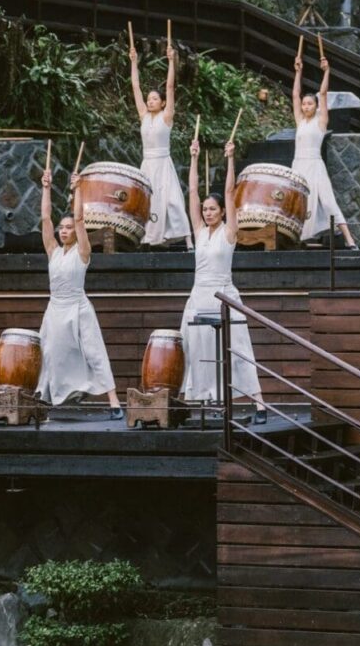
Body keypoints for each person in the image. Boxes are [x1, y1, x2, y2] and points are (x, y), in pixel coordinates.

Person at [181, 133, 267, 418]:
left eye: (212, 209)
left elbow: (230, 192)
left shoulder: (230, 232)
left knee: (238, 348)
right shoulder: (198, 231)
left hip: (224, 295)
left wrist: (230, 158)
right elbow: (193, 192)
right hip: (199, 296)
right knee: (196, 348)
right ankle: (205, 402)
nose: (207, 213)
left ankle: (259, 403)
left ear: (221, 212)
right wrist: (193, 158)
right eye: (205, 210)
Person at [36, 158, 121, 414]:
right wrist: (46, 188)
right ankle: (47, 395)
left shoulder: (82, 251)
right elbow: (45, 218)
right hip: (55, 307)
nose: (63, 231)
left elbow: (81, 219)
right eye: (61, 228)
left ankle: (114, 401)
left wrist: (79, 189)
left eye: (68, 228)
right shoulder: (53, 251)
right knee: (49, 351)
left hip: (78, 306)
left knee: (94, 352)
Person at [289, 35, 355, 248]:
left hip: (315, 164)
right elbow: (295, 95)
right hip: (299, 165)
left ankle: (350, 240)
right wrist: (298, 72)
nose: (306, 106)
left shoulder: (321, 121)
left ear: (316, 106)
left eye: (310, 104)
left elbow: (323, 93)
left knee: (327, 201)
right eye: (305, 104)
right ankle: (298, 240)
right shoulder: (300, 121)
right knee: (299, 202)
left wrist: (327, 71)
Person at [128, 33, 190, 248]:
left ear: (163, 103)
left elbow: (170, 87)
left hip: (163, 162)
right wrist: (134, 62)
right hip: (147, 163)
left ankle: (177, 236)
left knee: (171, 200)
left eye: (154, 98)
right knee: (148, 200)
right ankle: (148, 237)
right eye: (149, 99)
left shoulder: (166, 117)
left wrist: (171, 61)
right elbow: (135, 87)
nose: (150, 101)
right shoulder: (143, 116)